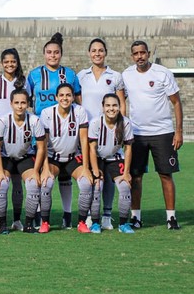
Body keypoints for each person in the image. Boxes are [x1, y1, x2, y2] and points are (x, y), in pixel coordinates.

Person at [122, 40, 183, 230]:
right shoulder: (126, 75)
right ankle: (136, 218)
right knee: (136, 177)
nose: (139, 56)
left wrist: (178, 131)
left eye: (142, 52)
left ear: (148, 53)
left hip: (163, 133)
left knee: (165, 175)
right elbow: (120, 99)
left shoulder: (162, 73)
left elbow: (176, 102)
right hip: (137, 134)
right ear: (132, 56)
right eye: (136, 53)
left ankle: (171, 218)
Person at [27, 32, 82, 229]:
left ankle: (67, 214)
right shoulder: (34, 75)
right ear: (44, 54)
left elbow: (78, 101)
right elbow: (25, 100)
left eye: (56, 52)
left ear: (61, 54)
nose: (53, 56)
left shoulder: (69, 74)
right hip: (41, 131)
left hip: (66, 131)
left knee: (65, 176)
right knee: (43, 173)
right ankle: (41, 215)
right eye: (49, 52)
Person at [76, 38, 126, 230]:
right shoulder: (82, 75)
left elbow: (121, 104)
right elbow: (79, 103)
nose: (97, 53)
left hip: (110, 132)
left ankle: (106, 215)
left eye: (101, 50)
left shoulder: (115, 76)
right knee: (92, 175)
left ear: (105, 53)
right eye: (94, 50)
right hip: (88, 133)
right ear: (89, 53)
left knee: (108, 173)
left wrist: (120, 129)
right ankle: (90, 214)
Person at [0, 83, 47, 233]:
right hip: (6, 158)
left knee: (33, 185)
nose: (20, 106)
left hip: (25, 157)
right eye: (16, 103)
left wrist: (36, 171)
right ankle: (2, 223)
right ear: (11, 104)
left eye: (23, 102)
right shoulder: (3, 121)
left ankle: (27, 223)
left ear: (28, 104)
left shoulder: (35, 121)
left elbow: (42, 147)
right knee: (2, 185)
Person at [39, 83, 92, 233]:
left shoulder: (80, 111)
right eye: (61, 95)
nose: (65, 98)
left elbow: (84, 140)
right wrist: (44, 168)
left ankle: (81, 222)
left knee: (86, 183)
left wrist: (86, 168)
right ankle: (45, 222)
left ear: (73, 97)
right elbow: (43, 143)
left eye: (68, 95)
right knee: (46, 183)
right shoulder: (47, 113)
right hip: (52, 158)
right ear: (56, 97)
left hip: (72, 157)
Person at [0, 48, 28, 231]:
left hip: (19, 136)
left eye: (13, 61)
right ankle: (1, 219)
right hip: (0, 136)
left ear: (17, 63)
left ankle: (18, 219)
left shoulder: (23, 81)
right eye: (6, 62)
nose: (10, 64)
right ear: (1, 63)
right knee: (1, 180)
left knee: (17, 181)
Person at [87, 94, 134, 234]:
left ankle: (123, 223)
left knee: (125, 186)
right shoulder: (96, 122)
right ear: (103, 107)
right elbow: (92, 148)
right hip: (98, 158)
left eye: (114, 105)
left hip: (116, 158)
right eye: (108, 105)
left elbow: (128, 148)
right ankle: (95, 222)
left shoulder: (125, 123)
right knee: (97, 185)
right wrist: (95, 169)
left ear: (119, 107)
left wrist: (126, 173)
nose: (111, 108)